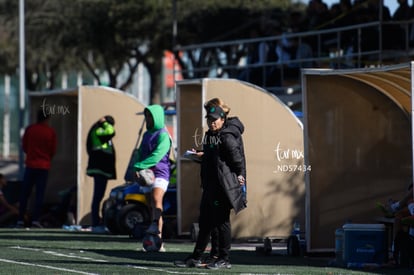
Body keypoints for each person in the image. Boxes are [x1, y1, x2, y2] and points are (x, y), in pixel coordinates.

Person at [175, 99, 247, 269]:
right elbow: (215, 158)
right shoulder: (210, 135)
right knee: (205, 222)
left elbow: (237, 160)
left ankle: (224, 259)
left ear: (223, 120)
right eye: (209, 119)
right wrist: (200, 155)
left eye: (214, 120)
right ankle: (197, 257)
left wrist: (240, 175)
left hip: (222, 188)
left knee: (221, 222)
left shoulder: (227, 136)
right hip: (210, 186)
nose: (211, 122)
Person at [134, 104, 171, 251]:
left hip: (161, 173)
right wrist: (136, 168)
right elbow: (140, 153)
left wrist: (140, 166)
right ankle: (153, 238)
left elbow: (156, 157)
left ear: (157, 117)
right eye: (147, 116)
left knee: (156, 200)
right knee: (151, 205)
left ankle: (159, 238)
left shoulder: (163, 135)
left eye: (150, 116)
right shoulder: (146, 134)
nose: (148, 119)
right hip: (146, 175)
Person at [16, 109, 57, 228]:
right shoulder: (50, 132)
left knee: (25, 194)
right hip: (43, 166)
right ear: (47, 118)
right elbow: (52, 150)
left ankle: (20, 219)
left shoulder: (30, 129)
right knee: (40, 194)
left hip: (31, 165)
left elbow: (24, 146)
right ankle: (35, 219)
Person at [86, 115, 116, 233]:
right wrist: (104, 122)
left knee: (99, 196)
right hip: (99, 169)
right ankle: (95, 223)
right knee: (97, 197)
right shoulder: (99, 130)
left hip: (102, 170)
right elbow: (111, 131)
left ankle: (97, 222)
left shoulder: (101, 131)